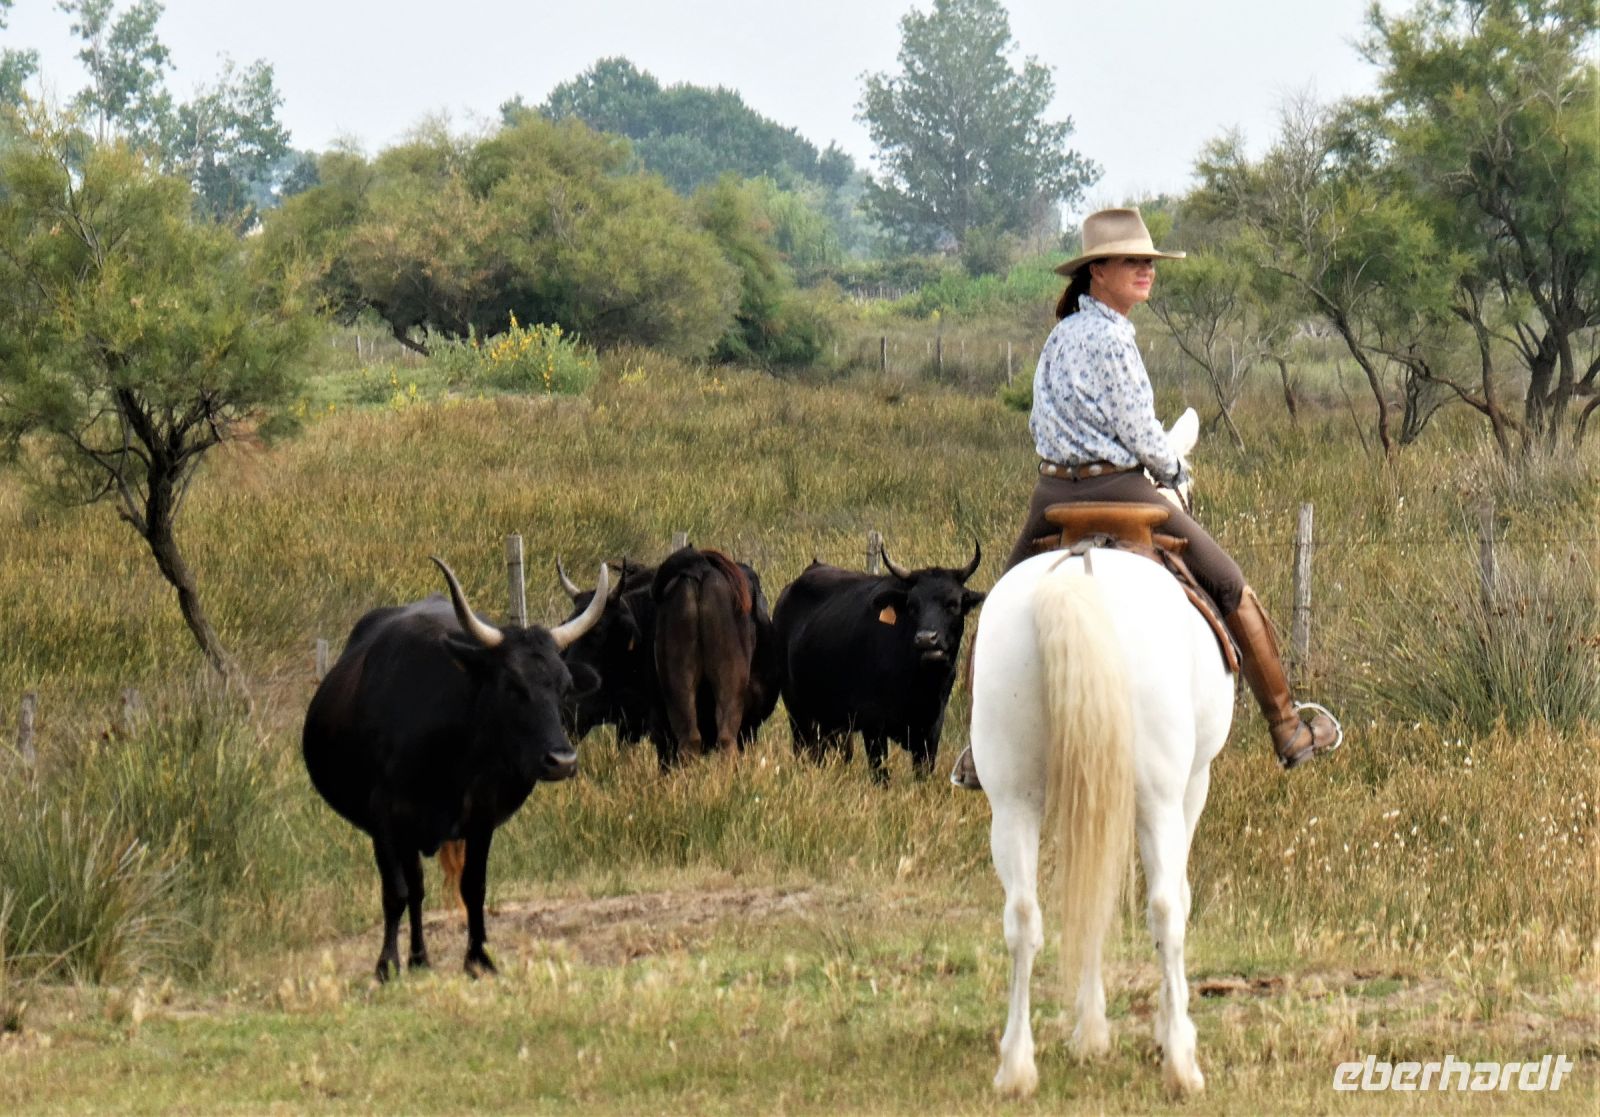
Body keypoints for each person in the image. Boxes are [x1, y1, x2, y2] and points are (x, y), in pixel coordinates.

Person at [951, 207, 1340, 790]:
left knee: (1002, 604)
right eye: (1132, 261)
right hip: (1123, 489)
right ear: (1097, 271)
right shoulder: (1113, 338)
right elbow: (1139, 431)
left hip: (1052, 494)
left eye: (1149, 262)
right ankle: (1287, 727)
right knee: (1230, 585)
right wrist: (1174, 467)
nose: (1146, 270)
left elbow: (1039, 420)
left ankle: (980, 747)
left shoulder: (1059, 336)